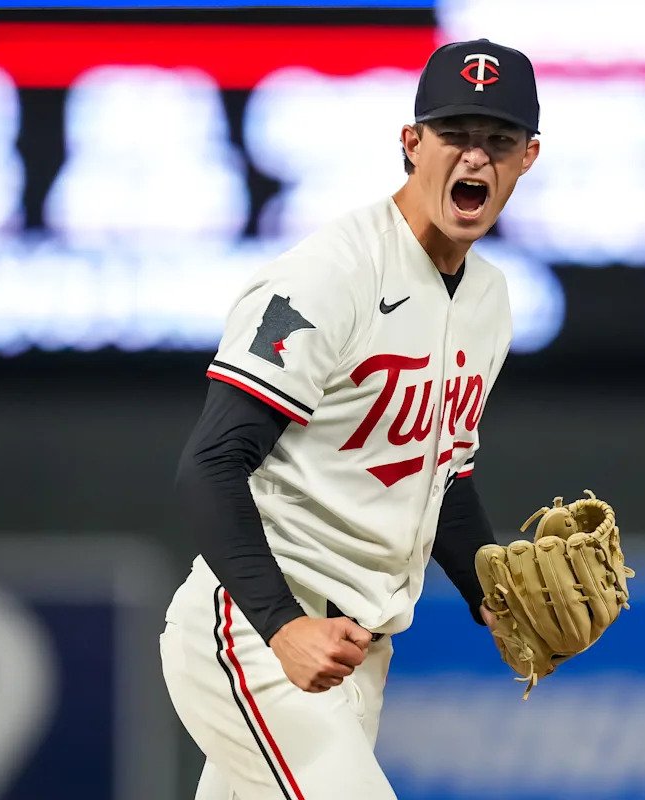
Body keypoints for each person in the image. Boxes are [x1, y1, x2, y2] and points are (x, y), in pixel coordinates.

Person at [159, 38, 541, 799]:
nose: (475, 155)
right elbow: (210, 463)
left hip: (355, 655)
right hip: (257, 632)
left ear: (527, 157)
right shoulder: (330, 273)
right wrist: (281, 626)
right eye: (454, 133)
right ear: (412, 143)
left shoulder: (490, 299)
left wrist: (491, 596)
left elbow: (439, 477)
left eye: (498, 139)